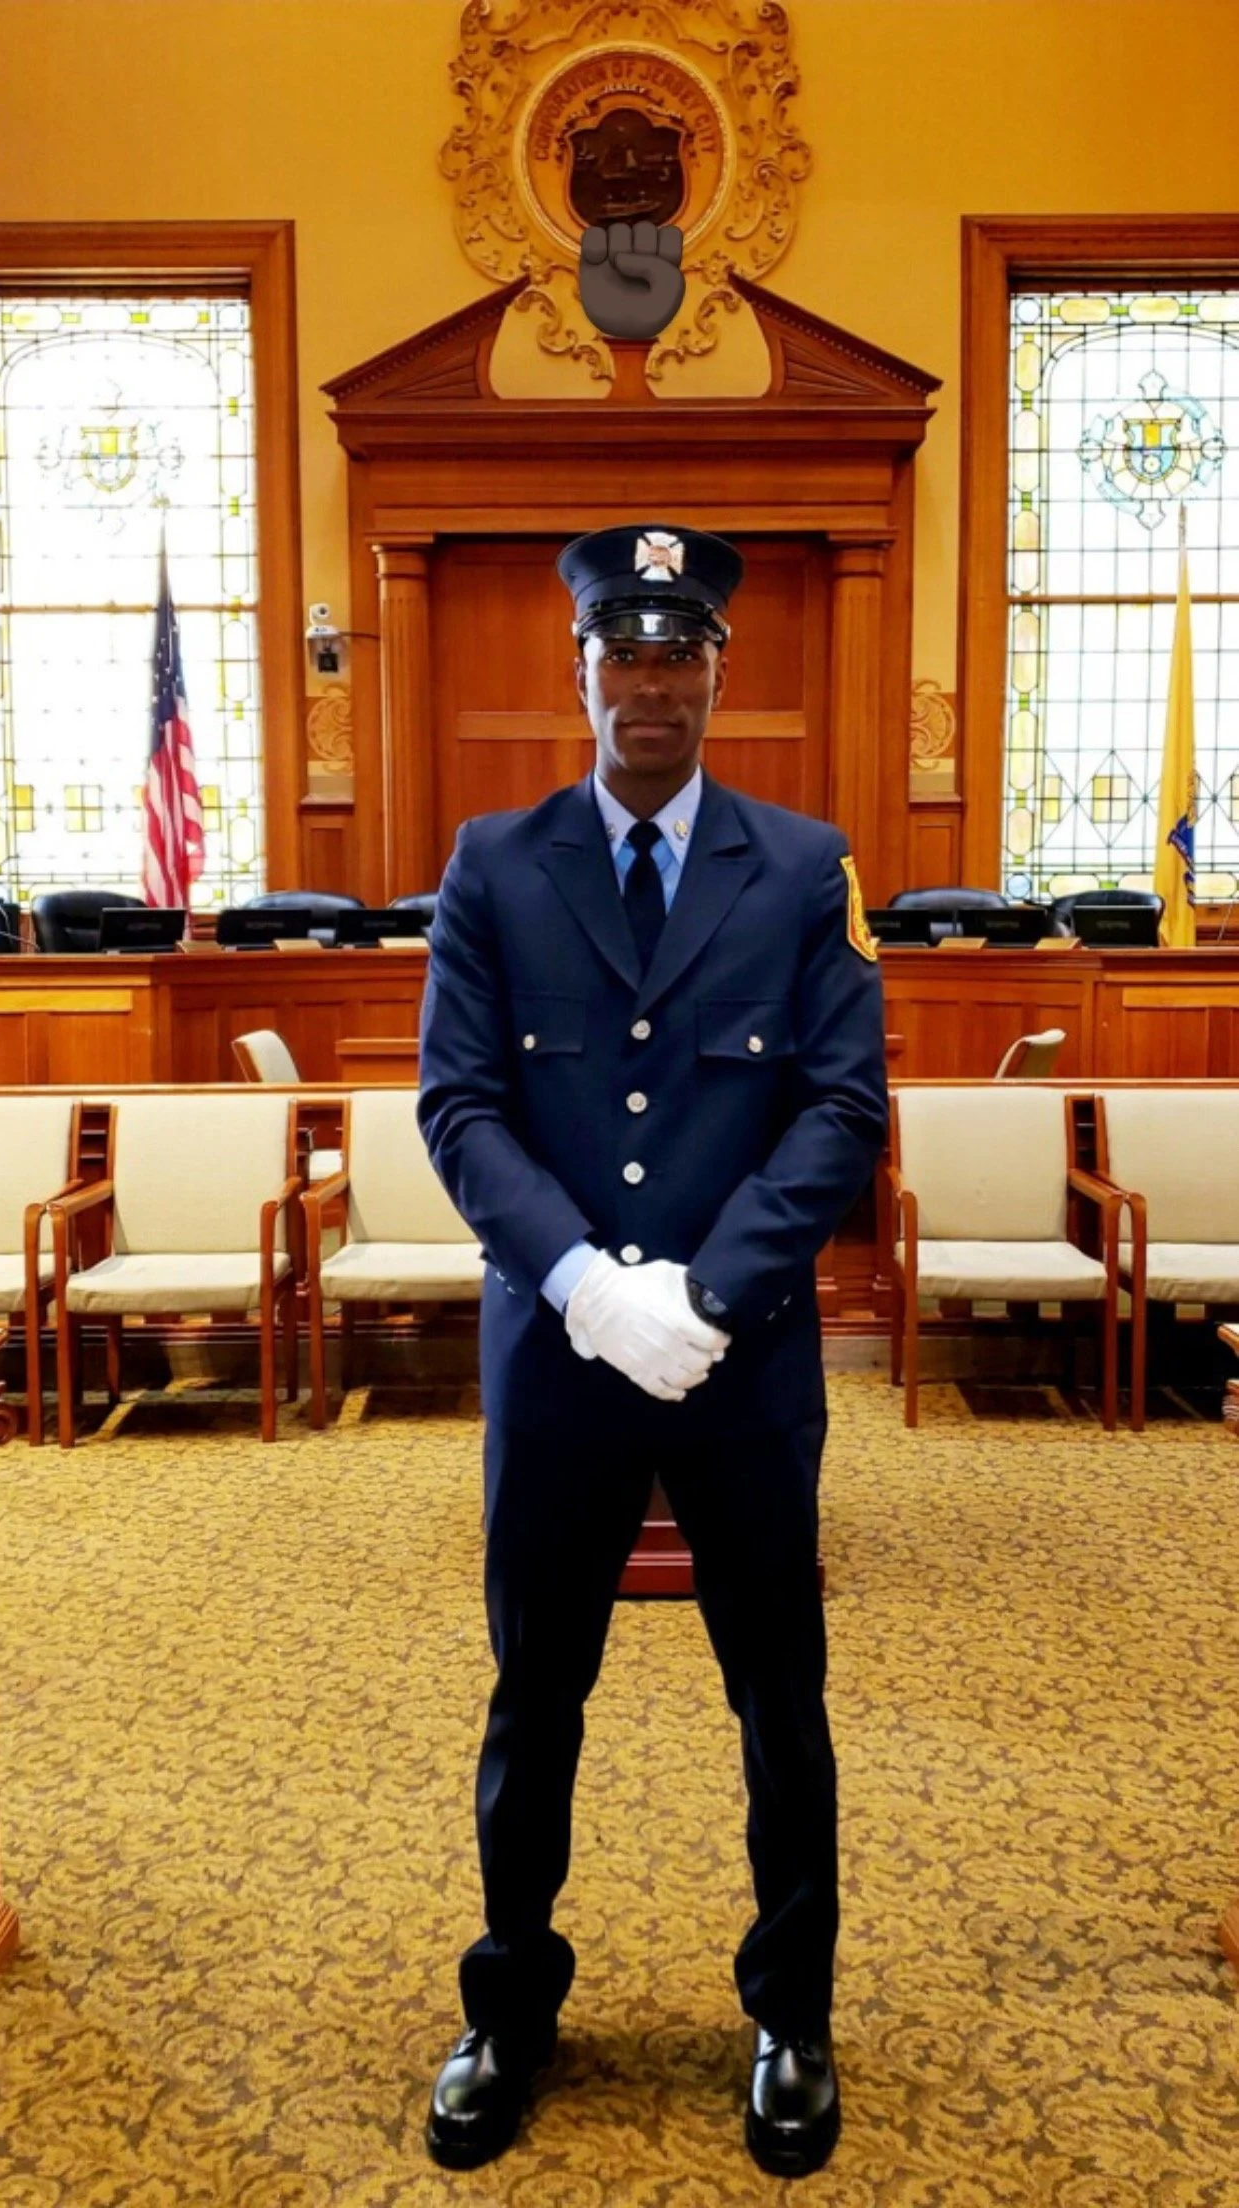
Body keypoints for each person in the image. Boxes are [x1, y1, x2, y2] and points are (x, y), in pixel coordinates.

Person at [416, 521, 888, 2178]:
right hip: (557, 1366)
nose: (650, 685)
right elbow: (458, 1105)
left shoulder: (804, 862)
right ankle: (507, 2006)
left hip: (740, 1364)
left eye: (678, 656)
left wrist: (701, 1292)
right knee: (534, 1696)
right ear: (583, 673)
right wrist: (577, 1282)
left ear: (715, 676)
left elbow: (840, 1109)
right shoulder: (495, 859)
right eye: (623, 655)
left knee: (781, 1700)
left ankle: (791, 2012)